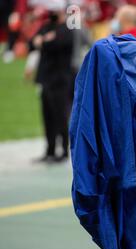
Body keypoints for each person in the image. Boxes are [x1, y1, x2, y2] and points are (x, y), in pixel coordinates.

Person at [31, 2, 74, 162]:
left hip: (60, 80)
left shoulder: (67, 30)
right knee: (47, 115)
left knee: (60, 115)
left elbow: (58, 44)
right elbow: (32, 43)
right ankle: (49, 150)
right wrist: (44, 40)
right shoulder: (47, 27)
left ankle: (63, 150)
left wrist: (44, 41)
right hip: (45, 78)